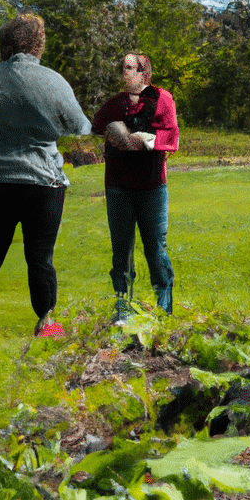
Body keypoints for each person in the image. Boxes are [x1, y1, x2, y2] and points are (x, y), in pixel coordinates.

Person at [0, 13, 91, 338]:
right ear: (38, 43)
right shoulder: (52, 80)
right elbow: (79, 126)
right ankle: (45, 322)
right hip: (41, 180)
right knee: (39, 254)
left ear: (5, 44)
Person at [91, 54, 179, 321]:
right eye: (123, 68)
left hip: (152, 186)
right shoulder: (115, 103)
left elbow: (172, 135)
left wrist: (146, 140)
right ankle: (122, 309)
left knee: (156, 248)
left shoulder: (161, 98)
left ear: (144, 73)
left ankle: (164, 310)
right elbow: (95, 127)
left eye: (130, 68)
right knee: (121, 249)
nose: (125, 73)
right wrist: (111, 135)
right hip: (118, 187)